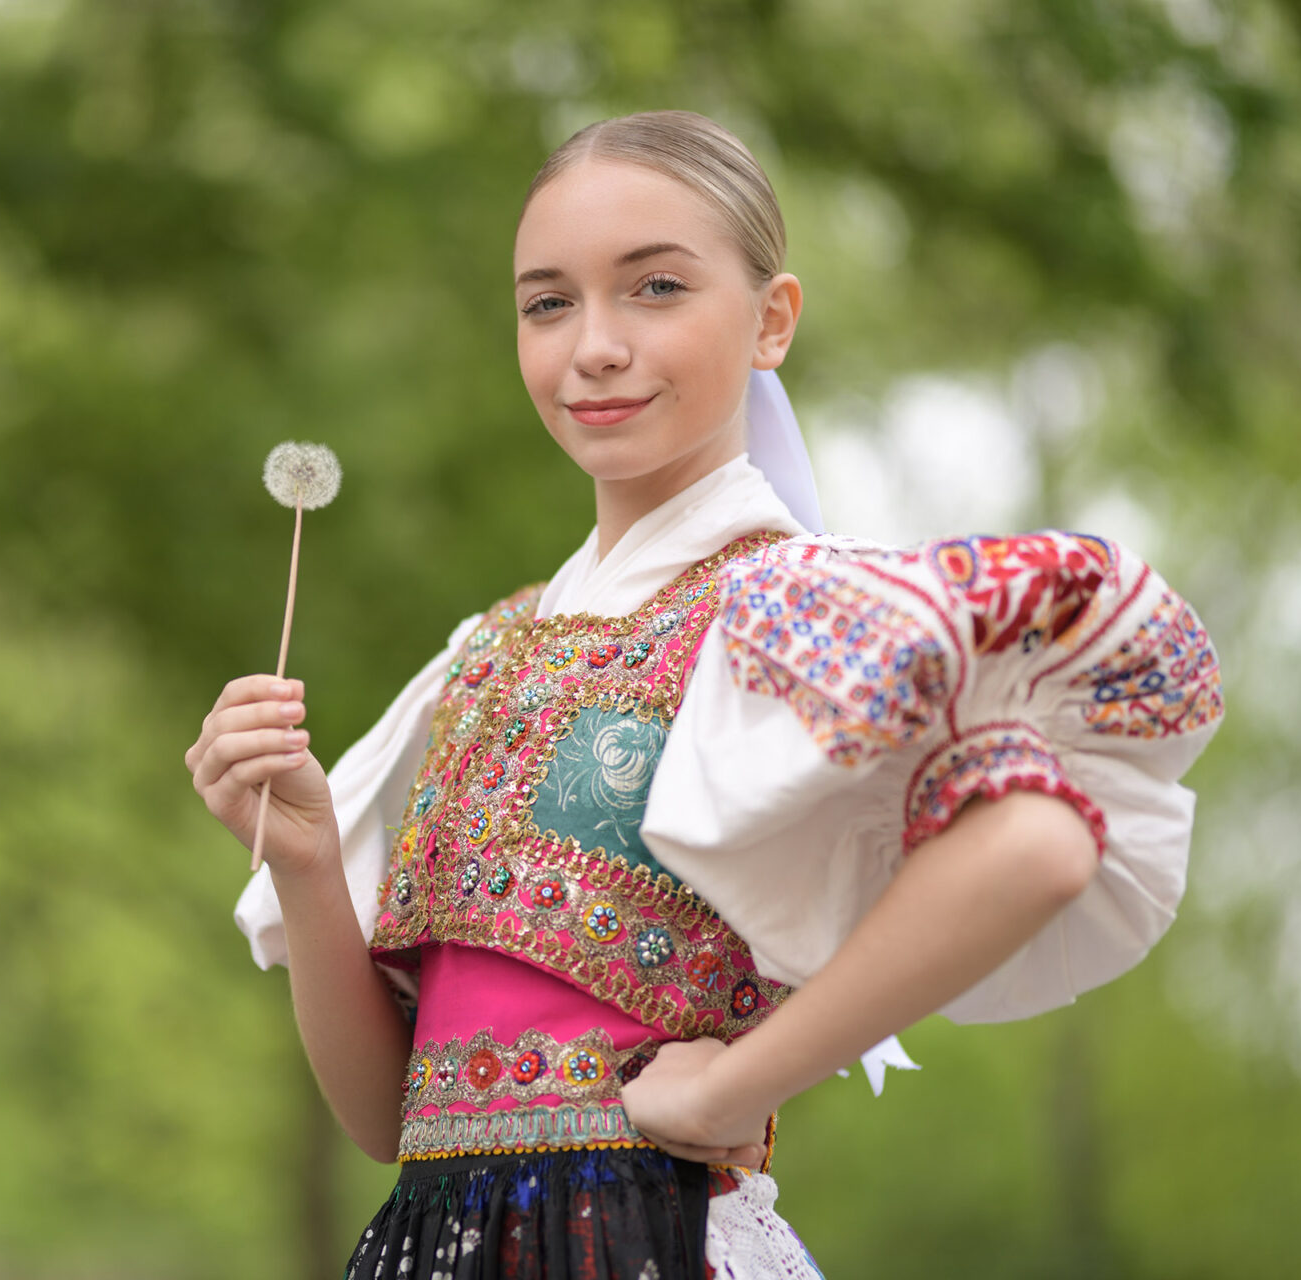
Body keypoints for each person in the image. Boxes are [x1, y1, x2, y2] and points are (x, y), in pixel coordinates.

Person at [185, 111, 1223, 1278]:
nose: (595, 346)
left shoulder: (786, 608)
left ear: (772, 319)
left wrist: (738, 1080)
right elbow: (392, 1122)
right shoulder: (483, 653)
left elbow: (1035, 841)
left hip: (644, 1237)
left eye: (656, 288)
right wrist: (310, 858)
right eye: (548, 303)